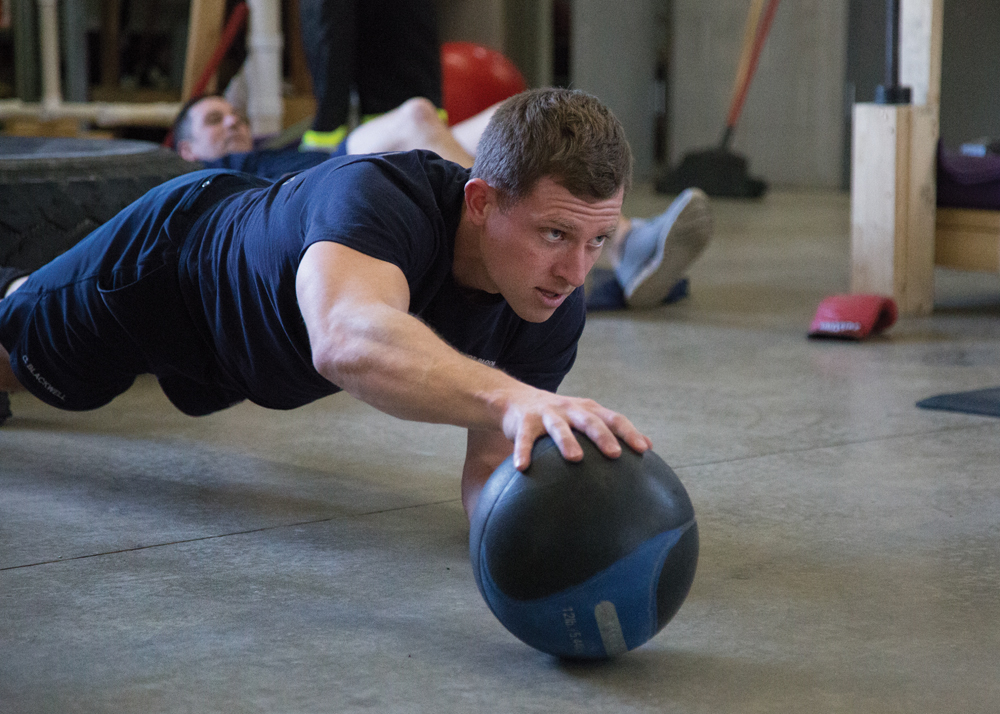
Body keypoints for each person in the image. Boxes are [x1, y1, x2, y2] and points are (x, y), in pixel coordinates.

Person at [0, 89, 658, 517]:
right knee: (18, 363)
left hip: (243, 359)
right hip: (166, 270)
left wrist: (541, 552)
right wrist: (517, 398)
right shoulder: (379, 199)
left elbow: (490, 467)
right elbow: (347, 338)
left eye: (599, 240)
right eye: (554, 233)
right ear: (482, 202)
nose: (576, 271)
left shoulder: (547, 303)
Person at [172, 94, 713, 309]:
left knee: (513, 116)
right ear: (185, 146)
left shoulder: (268, 147)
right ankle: (609, 243)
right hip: (333, 176)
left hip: (332, 156)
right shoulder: (204, 170)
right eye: (215, 120)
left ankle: (623, 236)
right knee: (415, 116)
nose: (234, 124)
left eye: (237, 116)